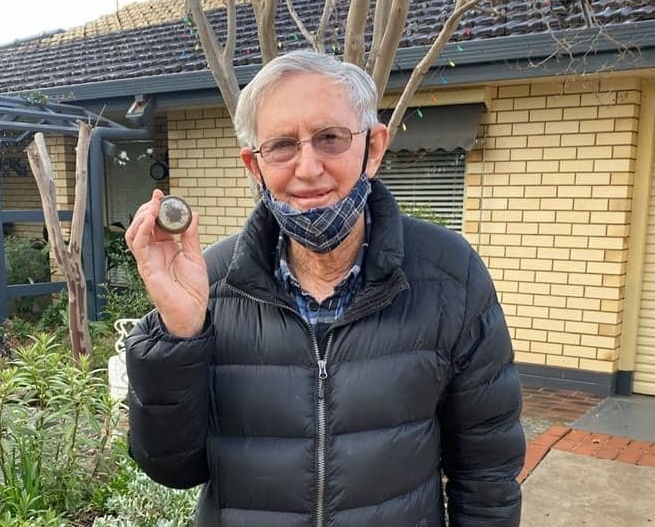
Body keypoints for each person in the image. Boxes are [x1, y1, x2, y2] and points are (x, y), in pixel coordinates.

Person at [125, 49, 525, 527]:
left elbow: (487, 474)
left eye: (330, 138)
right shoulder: (212, 283)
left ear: (373, 148)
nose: (308, 167)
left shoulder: (449, 276)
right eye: (282, 146)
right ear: (255, 167)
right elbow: (171, 468)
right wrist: (180, 333)